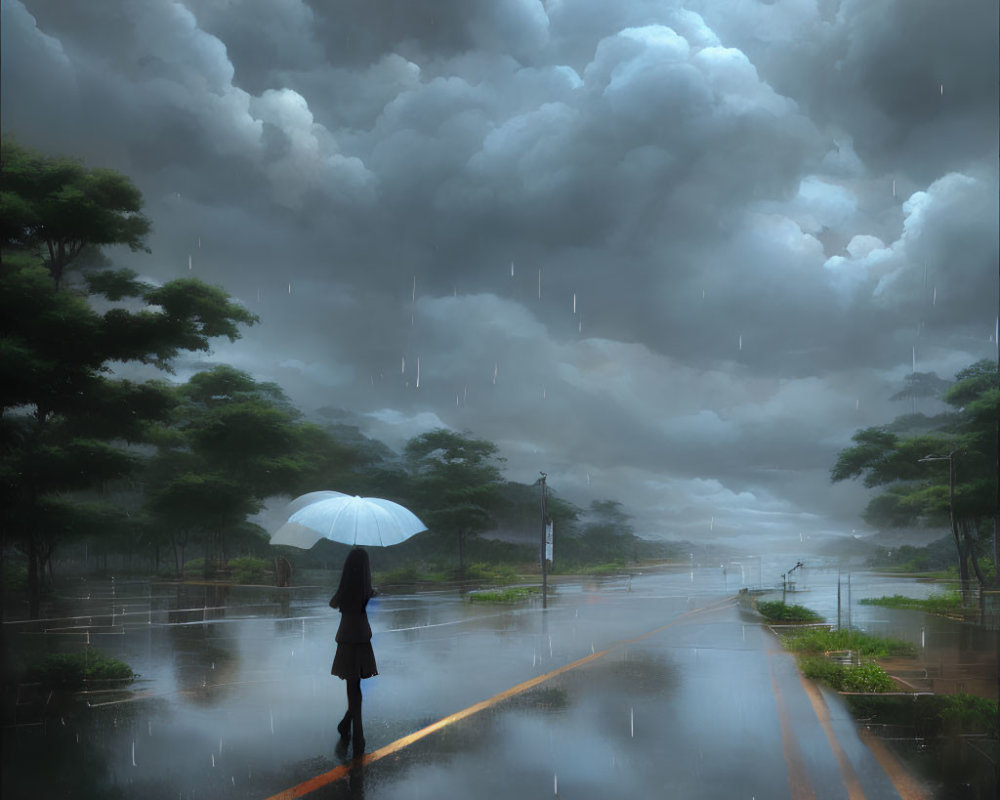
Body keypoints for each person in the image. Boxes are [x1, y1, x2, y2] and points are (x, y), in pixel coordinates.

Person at [329, 547, 377, 758]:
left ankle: (353, 728)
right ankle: (356, 731)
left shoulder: (346, 590)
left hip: (347, 640)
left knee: (352, 686)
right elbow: (369, 596)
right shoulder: (367, 590)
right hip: (362, 639)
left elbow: (333, 603)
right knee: (356, 688)